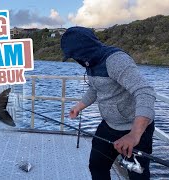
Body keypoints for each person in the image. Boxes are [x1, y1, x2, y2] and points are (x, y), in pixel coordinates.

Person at [60, 26, 156, 180]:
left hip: (135, 129)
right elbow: (94, 88)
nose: (74, 60)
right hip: (109, 126)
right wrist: (79, 107)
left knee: (138, 175)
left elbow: (145, 91)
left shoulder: (115, 60)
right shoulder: (90, 63)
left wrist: (134, 135)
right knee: (96, 166)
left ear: (82, 51)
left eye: (73, 56)